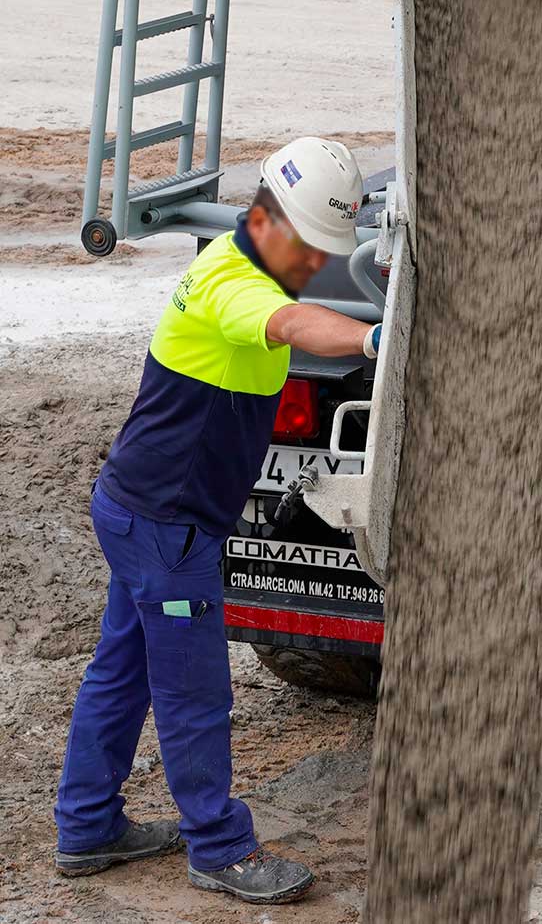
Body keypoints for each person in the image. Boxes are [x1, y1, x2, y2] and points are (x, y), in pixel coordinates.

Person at [53, 138, 384, 905]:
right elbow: (293, 323)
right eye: (310, 249)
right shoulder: (235, 289)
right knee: (193, 687)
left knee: (124, 668)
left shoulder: (243, 264)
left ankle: (88, 825)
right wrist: (375, 336)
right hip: (169, 526)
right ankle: (220, 847)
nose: (315, 265)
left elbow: (294, 306)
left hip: (140, 509)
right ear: (268, 221)